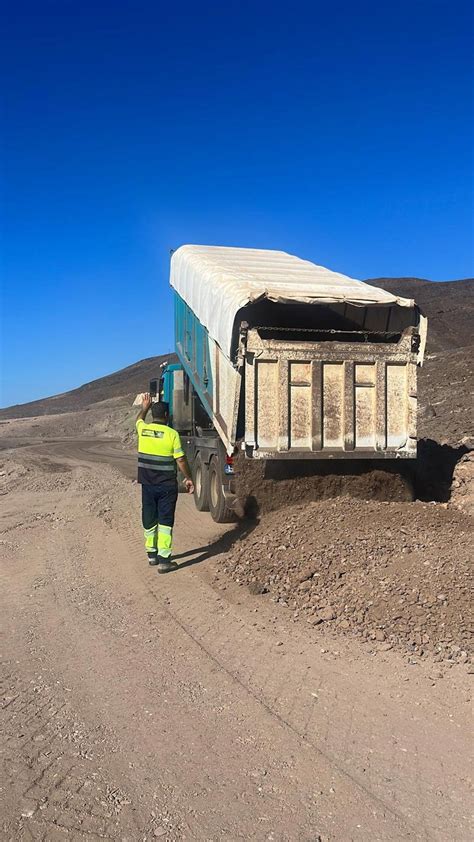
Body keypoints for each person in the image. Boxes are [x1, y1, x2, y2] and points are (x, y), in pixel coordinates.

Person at [136, 393, 194, 573]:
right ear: (167, 416)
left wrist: (144, 407)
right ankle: (164, 560)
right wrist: (189, 477)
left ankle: (151, 555)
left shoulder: (143, 430)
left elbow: (138, 420)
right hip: (167, 485)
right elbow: (181, 460)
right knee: (165, 521)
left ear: (153, 415)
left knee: (149, 518)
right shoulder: (172, 434)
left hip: (147, 484)